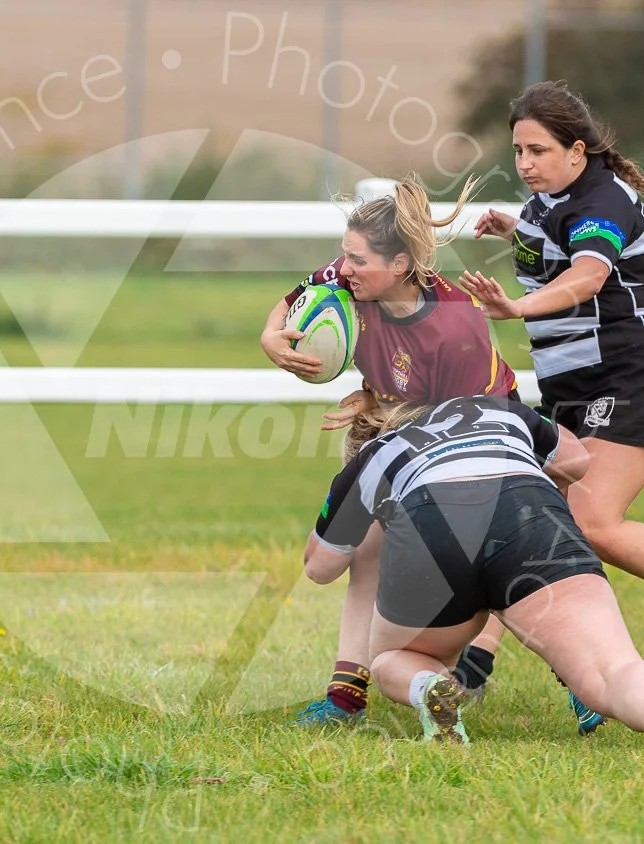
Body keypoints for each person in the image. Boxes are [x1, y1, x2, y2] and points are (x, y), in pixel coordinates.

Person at [457, 81, 644, 723]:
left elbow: (589, 272)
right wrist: (516, 225)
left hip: (629, 376)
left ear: (578, 150)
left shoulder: (602, 197)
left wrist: (514, 307)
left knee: (591, 523)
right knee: (514, 520)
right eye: (517, 151)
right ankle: (489, 669)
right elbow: (559, 246)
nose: (524, 164)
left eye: (537, 150)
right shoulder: (549, 198)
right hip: (572, 386)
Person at [302, 397, 644, 757]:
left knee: (392, 658)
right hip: (530, 513)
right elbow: (576, 460)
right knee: (612, 669)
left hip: (432, 531)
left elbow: (320, 568)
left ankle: (429, 687)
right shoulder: (494, 406)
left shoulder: (372, 456)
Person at [259, 174, 524, 728]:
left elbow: (461, 423)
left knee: (500, 558)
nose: (342, 268)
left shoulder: (455, 328)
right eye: (342, 256)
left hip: (478, 433)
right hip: (394, 418)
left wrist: (380, 402)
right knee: (362, 552)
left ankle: (574, 678)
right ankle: (346, 695)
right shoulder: (353, 279)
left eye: (357, 259)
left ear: (401, 265)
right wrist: (271, 339)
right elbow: (291, 302)